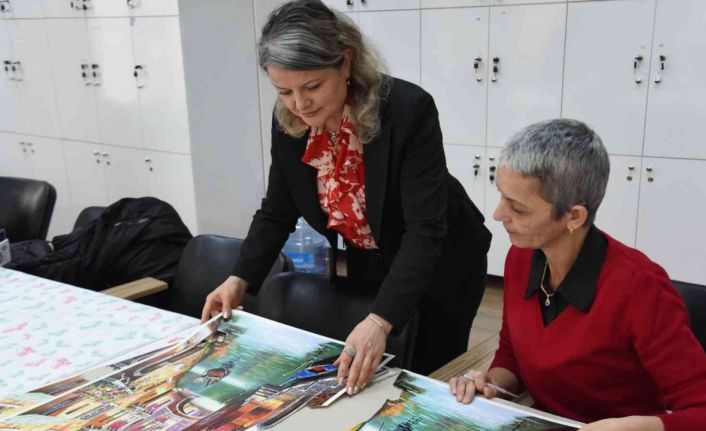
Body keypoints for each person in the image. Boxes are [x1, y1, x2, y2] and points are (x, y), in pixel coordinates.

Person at [201, 0, 491, 395]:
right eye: (284, 91)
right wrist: (240, 277)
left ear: (346, 62)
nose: (300, 104)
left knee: (426, 376)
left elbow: (425, 230)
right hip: (367, 254)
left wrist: (380, 320)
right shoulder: (290, 121)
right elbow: (277, 210)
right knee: (371, 370)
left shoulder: (408, 110)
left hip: (441, 259)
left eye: (312, 86)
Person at [449, 119, 706, 430]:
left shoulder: (641, 288)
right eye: (502, 196)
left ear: (574, 216)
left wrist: (642, 427)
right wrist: (491, 382)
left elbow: (700, 409)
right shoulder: (522, 257)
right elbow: (512, 351)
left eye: (518, 207)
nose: (499, 214)